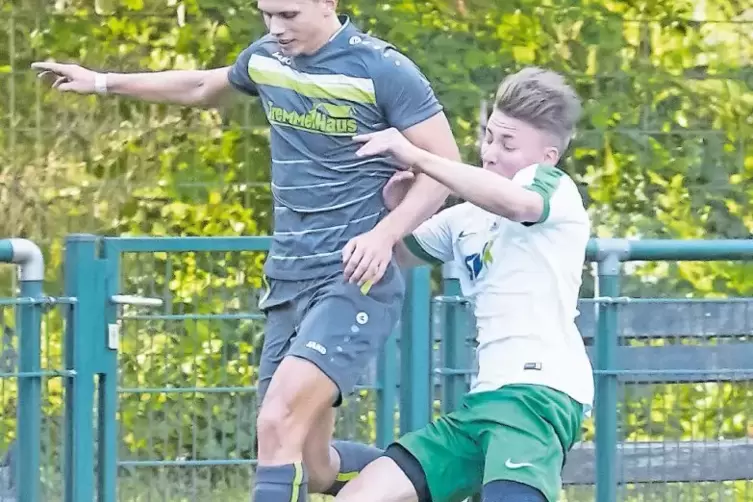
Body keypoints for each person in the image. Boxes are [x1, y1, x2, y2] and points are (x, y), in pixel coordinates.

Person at [31, 1, 461, 501]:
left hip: (354, 276)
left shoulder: (383, 69)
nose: (276, 27)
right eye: (267, 14)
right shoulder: (266, 58)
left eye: (289, 14)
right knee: (312, 465)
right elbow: (201, 87)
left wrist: (385, 234)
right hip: (287, 280)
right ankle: (442, 477)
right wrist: (103, 81)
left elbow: (443, 168)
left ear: (329, 4)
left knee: (276, 420)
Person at [336, 66, 594, 502]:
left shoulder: (552, 188)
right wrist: (400, 208)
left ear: (548, 155)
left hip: (537, 395)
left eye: (507, 143)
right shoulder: (465, 219)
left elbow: (517, 204)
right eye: (489, 137)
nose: (490, 152)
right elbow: (401, 254)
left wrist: (419, 156)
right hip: (482, 404)